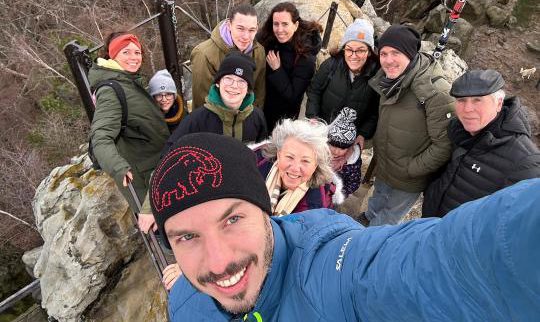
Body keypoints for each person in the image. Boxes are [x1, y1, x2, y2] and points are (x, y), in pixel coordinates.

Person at [150, 133, 540, 321]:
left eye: (232, 219)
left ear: (263, 210)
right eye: (187, 236)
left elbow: (450, 261)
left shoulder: (333, 274)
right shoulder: (185, 302)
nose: (219, 263)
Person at [359, 25, 455, 227]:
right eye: (383, 53)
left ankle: (367, 245)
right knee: (377, 200)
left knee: (387, 220)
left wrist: (411, 169)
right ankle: (367, 217)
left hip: (408, 178)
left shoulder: (435, 91)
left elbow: (444, 145)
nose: (388, 60)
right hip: (385, 164)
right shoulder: (389, 79)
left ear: (410, 53)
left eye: (396, 53)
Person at [422, 69, 540, 217]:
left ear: (498, 103)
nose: (467, 109)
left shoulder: (525, 162)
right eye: (461, 100)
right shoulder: (457, 130)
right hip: (429, 227)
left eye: (477, 100)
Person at [89, 32, 169, 233]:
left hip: (157, 168)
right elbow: (100, 137)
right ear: (113, 55)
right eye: (126, 52)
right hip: (144, 178)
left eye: (137, 52)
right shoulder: (110, 89)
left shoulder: (128, 81)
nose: (134, 57)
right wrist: (118, 167)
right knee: (169, 234)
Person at [163, 53, 268, 155]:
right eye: (228, 79)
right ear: (218, 83)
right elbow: (170, 153)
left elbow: (263, 154)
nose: (234, 86)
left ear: (248, 89)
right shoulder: (197, 120)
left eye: (241, 81)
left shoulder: (257, 117)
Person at [306, 18, 379, 150]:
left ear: (369, 52)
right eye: (349, 49)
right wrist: (313, 116)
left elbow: (375, 111)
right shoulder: (330, 66)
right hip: (322, 134)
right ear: (343, 48)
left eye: (361, 50)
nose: (353, 55)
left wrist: (363, 134)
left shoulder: (376, 75)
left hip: (348, 143)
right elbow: (314, 91)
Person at [255, 118, 344, 216]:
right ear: (279, 154)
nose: (295, 168)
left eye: (305, 161)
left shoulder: (322, 204)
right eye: (289, 157)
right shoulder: (253, 166)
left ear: (316, 165)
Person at [257, 2, 322, 130]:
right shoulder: (268, 39)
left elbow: (293, 96)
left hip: (283, 119)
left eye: (285, 24)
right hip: (261, 107)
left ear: (295, 25)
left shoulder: (305, 56)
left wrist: (277, 70)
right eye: (276, 24)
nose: (280, 30)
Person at [190, 3, 266, 110]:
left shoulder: (259, 52)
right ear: (229, 25)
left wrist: (253, 120)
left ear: (257, 29)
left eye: (251, 30)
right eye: (240, 28)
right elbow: (202, 102)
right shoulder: (204, 54)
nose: (246, 36)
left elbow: (258, 93)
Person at [327, 107, 363, 197]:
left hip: (334, 196)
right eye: (333, 145)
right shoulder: (319, 153)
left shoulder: (352, 162)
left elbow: (354, 182)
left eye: (342, 148)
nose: (336, 151)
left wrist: (339, 193)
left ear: (349, 147)